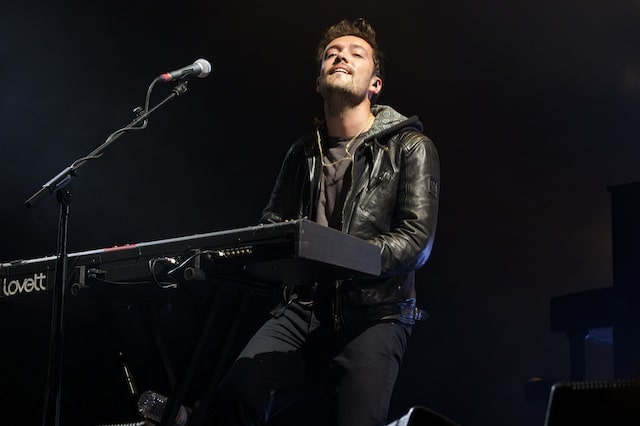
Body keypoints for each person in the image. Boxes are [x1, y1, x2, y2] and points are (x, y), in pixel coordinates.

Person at [210, 17, 440, 426]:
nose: (341, 58)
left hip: (374, 314)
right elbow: (272, 224)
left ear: (375, 84)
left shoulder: (411, 147)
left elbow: (415, 241)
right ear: (319, 82)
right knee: (236, 396)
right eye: (332, 54)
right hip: (304, 309)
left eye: (356, 54)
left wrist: (342, 256)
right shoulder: (302, 154)